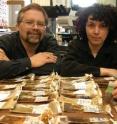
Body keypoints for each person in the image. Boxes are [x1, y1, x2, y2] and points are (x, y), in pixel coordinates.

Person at [0, 3, 60, 79]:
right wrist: (31, 62)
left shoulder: (49, 41)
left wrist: (11, 67)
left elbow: (56, 68)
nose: (35, 27)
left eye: (40, 24)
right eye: (29, 22)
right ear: (17, 26)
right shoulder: (5, 41)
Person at [61, 4, 117, 77]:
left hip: (108, 88)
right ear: (84, 27)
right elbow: (65, 69)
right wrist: (104, 71)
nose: (96, 32)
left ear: (110, 29)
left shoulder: (114, 50)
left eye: (103, 26)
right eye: (91, 25)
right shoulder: (75, 45)